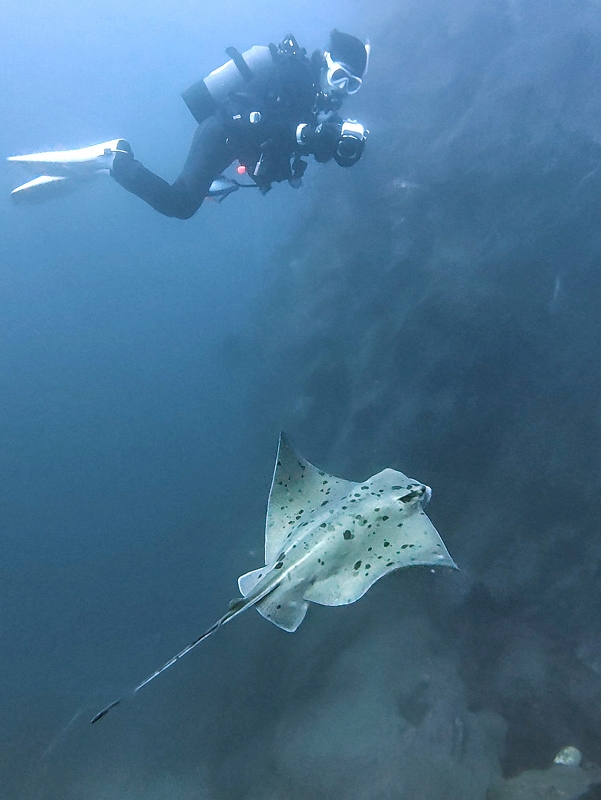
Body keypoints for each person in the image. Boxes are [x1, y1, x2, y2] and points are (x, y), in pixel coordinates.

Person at [8, 31, 370, 218]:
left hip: (231, 148)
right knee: (180, 204)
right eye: (339, 77)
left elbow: (292, 149)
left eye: (351, 85)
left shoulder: (314, 104)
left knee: (182, 203)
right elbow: (242, 113)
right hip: (220, 132)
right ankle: (113, 159)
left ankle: (104, 171)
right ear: (325, 62)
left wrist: (327, 144)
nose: (341, 91)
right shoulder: (292, 73)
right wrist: (297, 132)